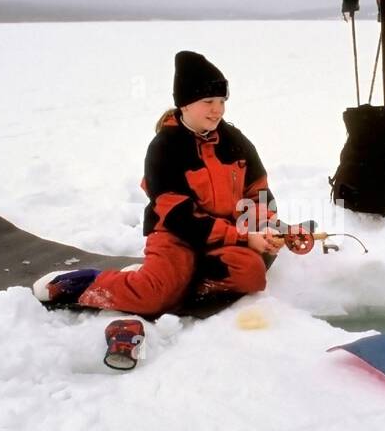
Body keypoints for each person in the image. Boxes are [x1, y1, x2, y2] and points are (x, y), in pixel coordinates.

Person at [34, 51, 284, 316]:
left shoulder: (235, 140)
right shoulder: (165, 148)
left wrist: (262, 227)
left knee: (251, 274)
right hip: (177, 236)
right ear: (185, 104)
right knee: (152, 299)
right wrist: (244, 236)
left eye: (222, 101)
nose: (218, 109)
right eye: (208, 100)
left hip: (223, 238)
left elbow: (258, 192)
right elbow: (180, 217)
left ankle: (171, 280)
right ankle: (80, 283)